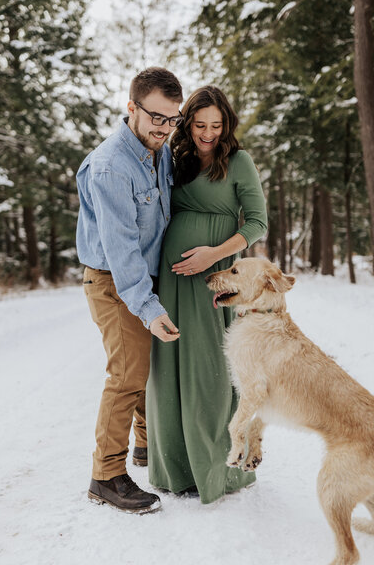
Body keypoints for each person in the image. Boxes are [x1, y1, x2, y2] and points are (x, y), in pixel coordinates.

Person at [146, 85, 268, 504]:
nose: (208, 133)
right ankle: (174, 467)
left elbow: (257, 224)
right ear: (187, 123)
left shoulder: (239, 162)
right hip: (171, 275)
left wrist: (214, 257)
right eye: (200, 125)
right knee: (168, 366)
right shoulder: (173, 159)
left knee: (208, 370)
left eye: (216, 125)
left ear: (226, 125)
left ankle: (217, 467)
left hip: (211, 277)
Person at [76, 67, 183, 514]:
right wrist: (147, 305)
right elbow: (121, 252)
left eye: (172, 119)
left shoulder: (159, 151)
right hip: (113, 281)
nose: (164, 128)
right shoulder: (109, 168)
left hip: (144, 274)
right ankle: (106, 475)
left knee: (147, 366)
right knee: (126, 375)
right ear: (132, 108)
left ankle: (145, 447)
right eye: (156, 117)